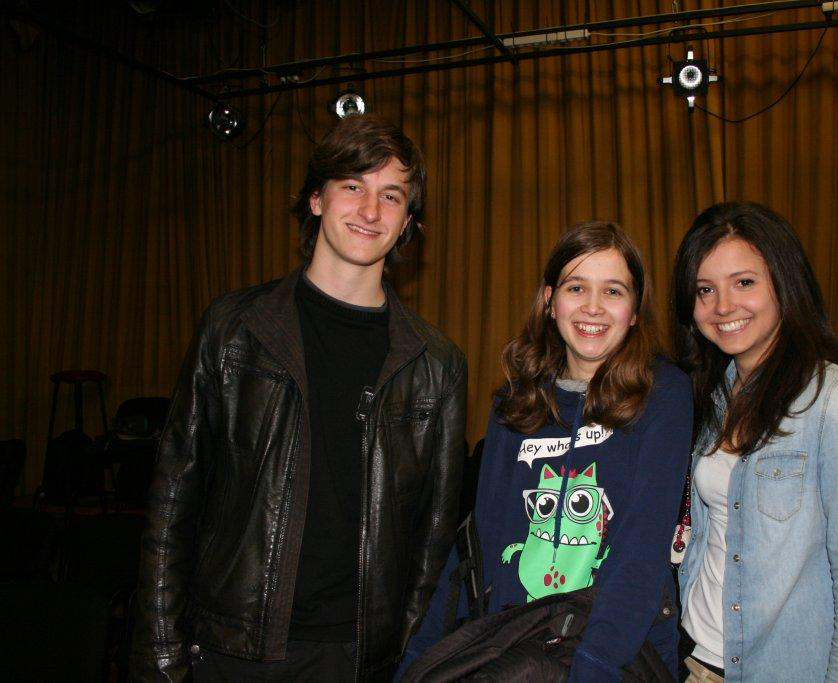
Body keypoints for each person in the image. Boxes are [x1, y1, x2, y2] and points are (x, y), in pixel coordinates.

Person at [132, 114, 467, 682]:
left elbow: (433, 543)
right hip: (230, 648)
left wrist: (404, 658)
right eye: (352, 186)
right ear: (316, 199)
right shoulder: (233, 329)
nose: (370, 211)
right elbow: (172, 502)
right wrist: (161, 656)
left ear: (408, 222)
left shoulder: (436, 365)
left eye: (391, 196)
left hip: (353, 659)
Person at [400, 221, 694, 680]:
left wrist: (593, 669)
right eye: (576, 287)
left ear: (635, 311)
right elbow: (478, 549)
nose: (593, 307)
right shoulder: (515, 402)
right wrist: (418, 660)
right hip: (515, 650)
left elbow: (639, 557)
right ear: (549, 301)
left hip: (614, 656)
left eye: (613, 291)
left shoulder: (663, 395)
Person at [671, 202, 838, 682]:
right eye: (705, 289)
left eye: (744, 282)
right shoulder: (709, 398)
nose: (723, 306)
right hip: (694, 661)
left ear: (784, 284)